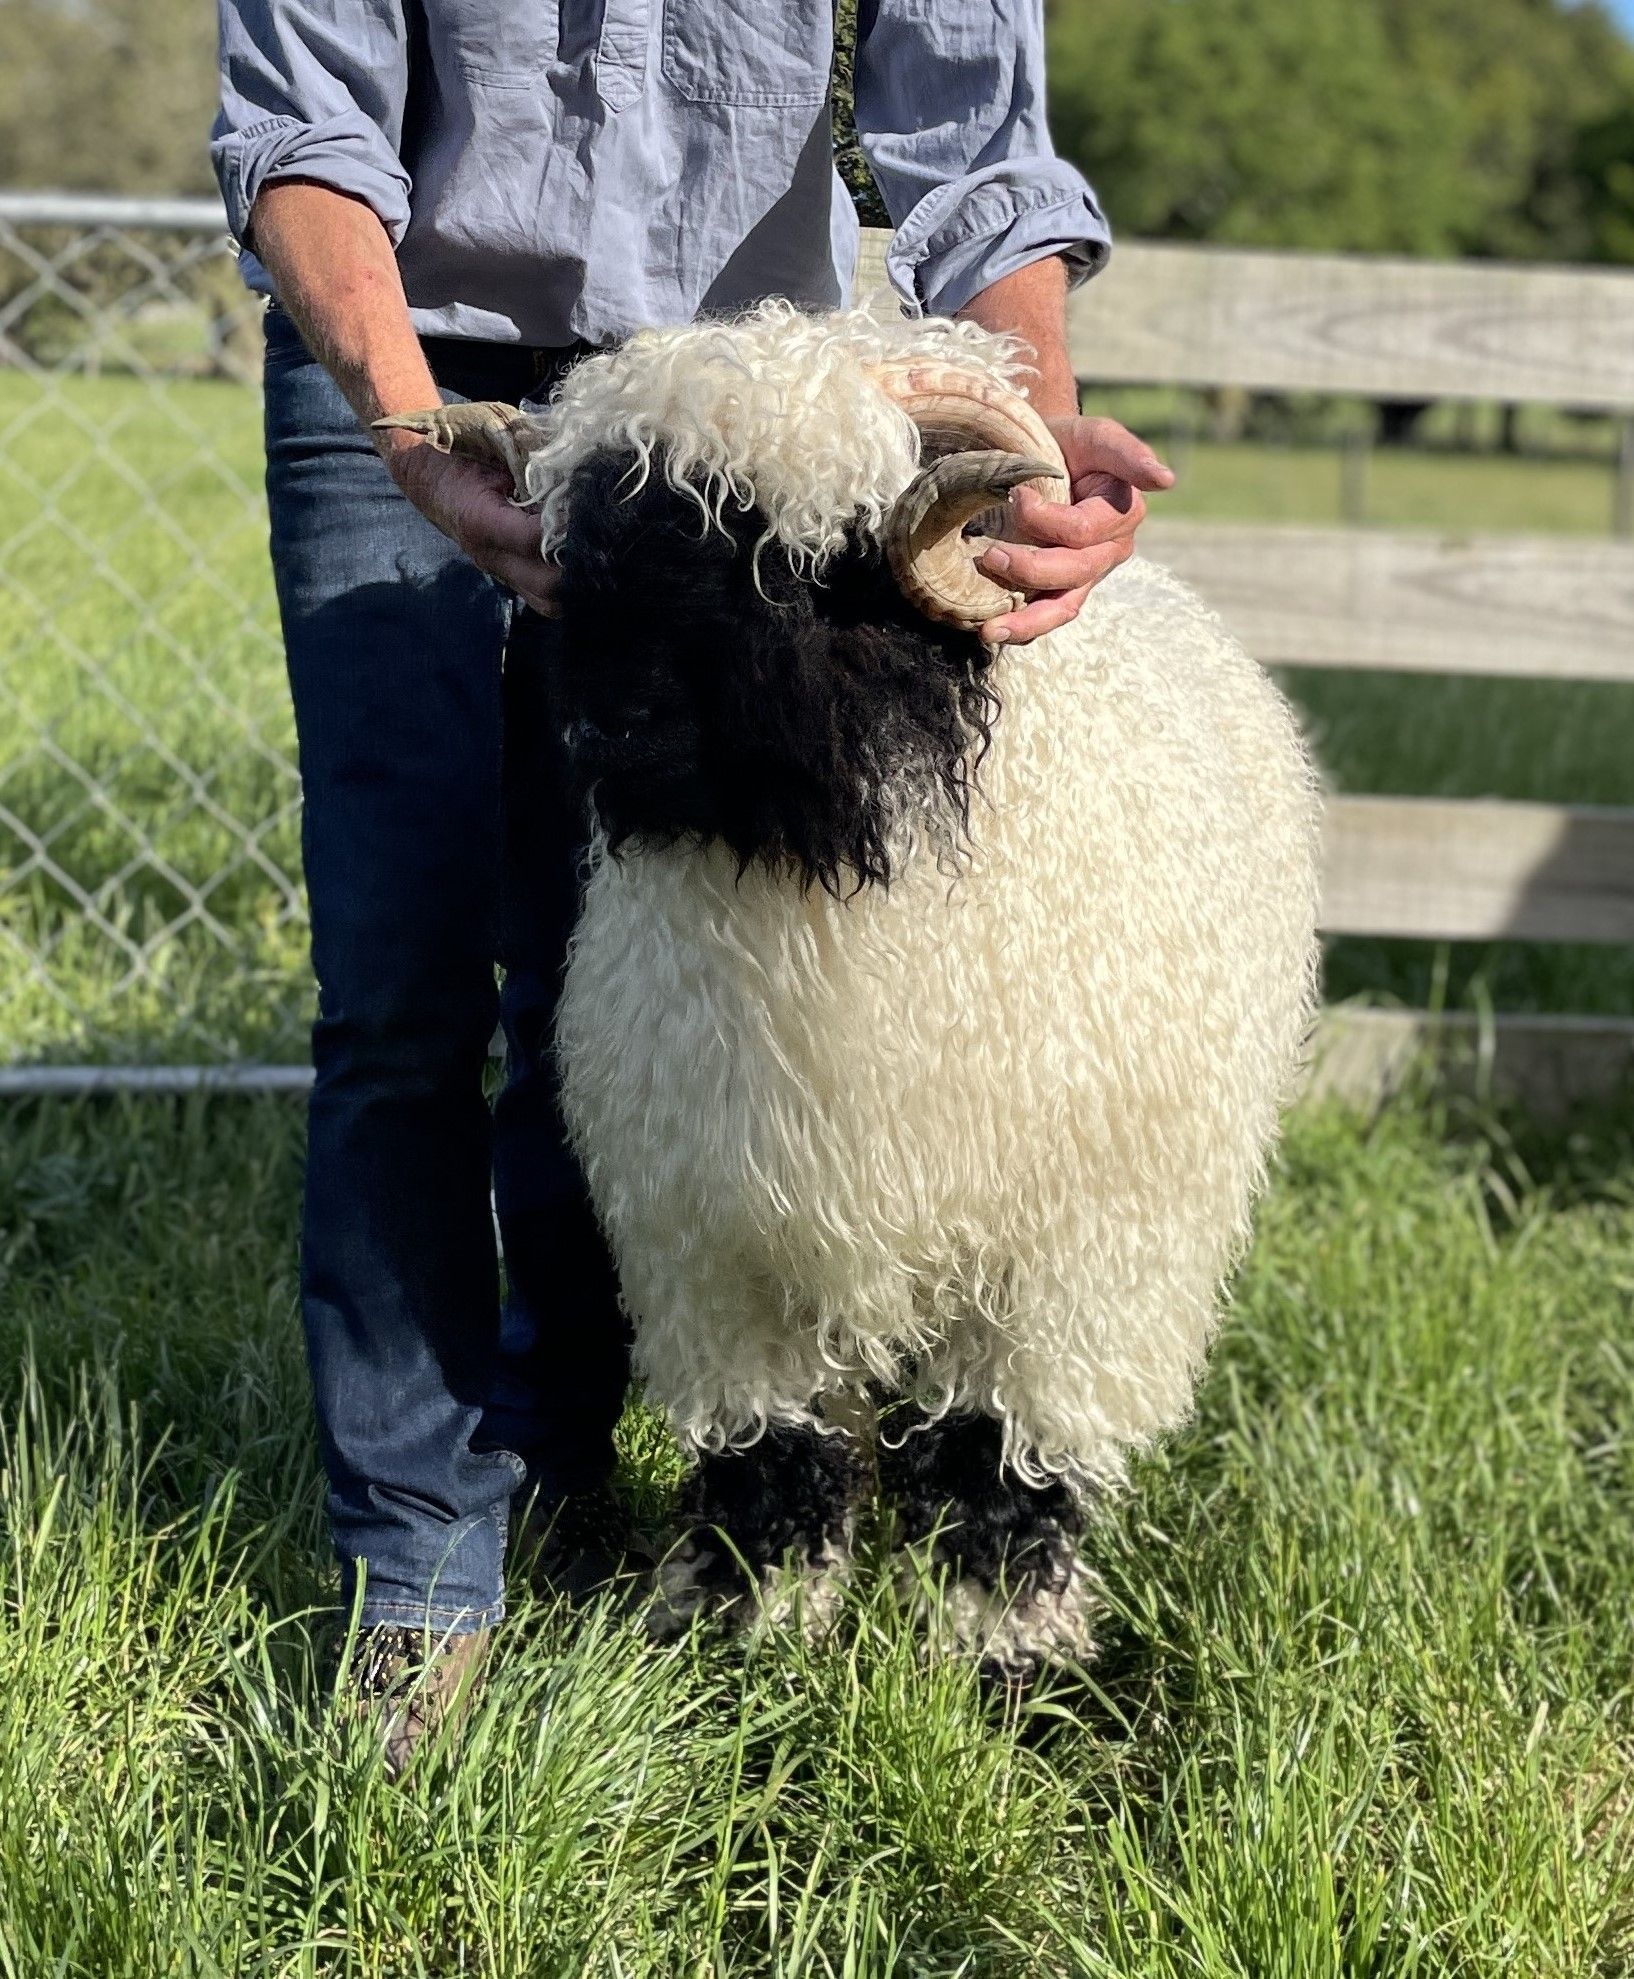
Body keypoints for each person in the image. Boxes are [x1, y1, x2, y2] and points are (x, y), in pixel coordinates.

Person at [212, 0, 1173, 1773]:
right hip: (416, 370)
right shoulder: (409, 394)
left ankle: (571, 1468)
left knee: (636, 994)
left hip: (753, 426)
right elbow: (302, 129)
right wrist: (412, 420)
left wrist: (1024, 440)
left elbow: (980, 148)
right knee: (406, 986)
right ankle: (420, 1579)